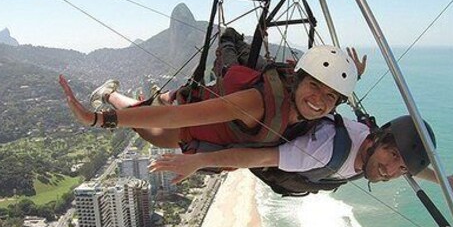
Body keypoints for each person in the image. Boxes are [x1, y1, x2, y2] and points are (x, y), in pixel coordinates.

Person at [59, 45, 364, 152]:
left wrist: (351, 77)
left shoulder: (313, 104)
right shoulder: (257, 104)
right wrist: (97, 119)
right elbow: (173, 119)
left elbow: (324, 97)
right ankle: (109, 95)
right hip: (183, 129)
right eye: (314, 87)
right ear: (297, 80)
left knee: (164, 100)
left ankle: (146, 96)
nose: (319, 100)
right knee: (146, 123)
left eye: (330, 97)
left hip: (198, 101)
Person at [150, 113, 453, 195]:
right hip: (259, 153)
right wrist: (199, 161)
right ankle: (115, 100)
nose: (391, 170)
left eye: (400, 167)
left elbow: (411, 169)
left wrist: (443, 181)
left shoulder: (381, 158)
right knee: (160, 134)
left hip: (298, 169)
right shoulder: (322, 149)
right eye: (392, 155)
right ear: (376, 140)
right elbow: (257, 159)